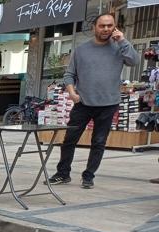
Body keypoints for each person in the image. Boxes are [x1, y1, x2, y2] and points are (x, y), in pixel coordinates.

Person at [49, 14, 138, 189]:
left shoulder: (120, 47)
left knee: (98, 142)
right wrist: (72, 93)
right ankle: (63, 173)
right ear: (94, 28)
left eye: (109, 26)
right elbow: (69, 75)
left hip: (108, 104)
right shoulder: (81, 50)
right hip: (83, 103)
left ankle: (88, 176)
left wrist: (122, 41)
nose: (106, 29)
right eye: (102, 26)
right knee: (69, 140)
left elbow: (134, 61)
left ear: (114, 27)